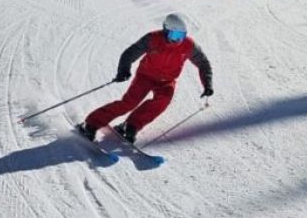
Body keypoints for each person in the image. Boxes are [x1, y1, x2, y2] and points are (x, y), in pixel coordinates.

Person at [81, 13, 213, 143]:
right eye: (175, 35)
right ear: (166, 30)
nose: (178, 40)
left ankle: (131, 125)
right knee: (129, 103)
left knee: (162, 102)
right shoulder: (152, 38)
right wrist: (123, 70)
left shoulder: (188, 45)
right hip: (145, 76)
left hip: (167, 81)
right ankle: (92, 123)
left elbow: (203, 63)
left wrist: (207, 84)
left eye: (181, 36)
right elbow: (130, 53)